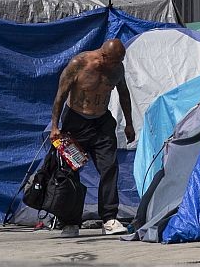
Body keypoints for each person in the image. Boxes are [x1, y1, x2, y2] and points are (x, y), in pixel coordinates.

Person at [49, 39, 135, 238]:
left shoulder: (117, 69)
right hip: (75, 122)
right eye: (114, 61)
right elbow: (60, 95)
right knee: (70, 172)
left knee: (109, 167)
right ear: (104, 56)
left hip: (101, 122)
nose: (117, 65)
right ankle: (70, 222)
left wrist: (129, 123)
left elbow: (124, 94)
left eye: (120, 61)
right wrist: (54, 126)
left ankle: (109, 218)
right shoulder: (78, 64)